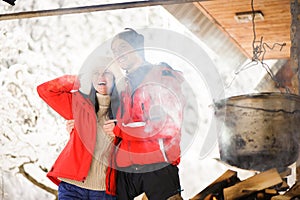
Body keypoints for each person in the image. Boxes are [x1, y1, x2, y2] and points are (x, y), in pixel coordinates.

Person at [104, 28, 185, 200]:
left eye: (122, 48)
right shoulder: (122, 86)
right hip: (126, 172)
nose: (118, 54)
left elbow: (167, 126)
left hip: (158, 167)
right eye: (114, 51)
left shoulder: (162, 77)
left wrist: (120, 130)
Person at [37, 60, 117, 200]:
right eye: (96, 73)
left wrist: (122, 130)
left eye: (107, 73)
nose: (101, 77)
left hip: (105, 191)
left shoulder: (125, 110)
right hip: (72, 187)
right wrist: (79, 80)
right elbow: (45, 90)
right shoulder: (78, 104)